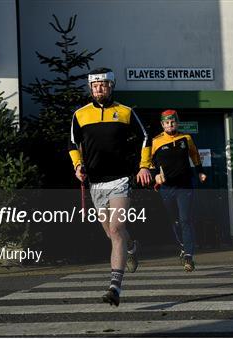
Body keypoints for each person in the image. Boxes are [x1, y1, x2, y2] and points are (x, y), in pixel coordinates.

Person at [69, 68, 152, 306]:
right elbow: (73, 144)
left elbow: (146, 137)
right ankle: (133, 247)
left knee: (116, 229)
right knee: (111, 233)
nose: (99, 89)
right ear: (90, 88)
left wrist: (144, 166)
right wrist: (77, 166)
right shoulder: (80, 115)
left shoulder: (125, 112)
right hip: (96, 183)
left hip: (120, 180)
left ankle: (115, 286)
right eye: (95, 86)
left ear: (111, 86)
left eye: (103, 85)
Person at [151, 109, 206, 272]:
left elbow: (195, 155)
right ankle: (182, 246)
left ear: (177, 122)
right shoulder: (156, 141)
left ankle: (189, 256)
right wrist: (155, 176)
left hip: (184, 185)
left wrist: (200, 171)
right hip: (166, 188)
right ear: (162, 125)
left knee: (185, 220)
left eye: (173, 122)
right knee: (174, 221)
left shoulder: (186, 138)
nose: (170, 125)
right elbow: (150, 162)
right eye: (167, 122)